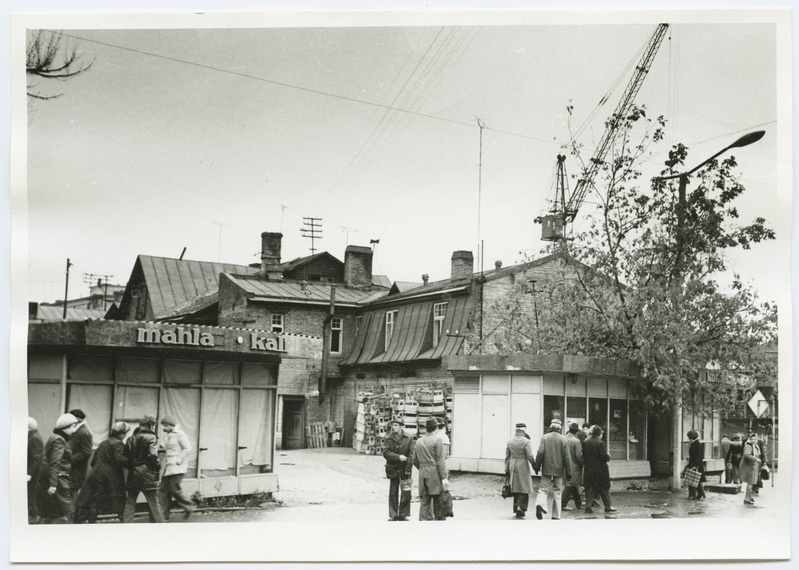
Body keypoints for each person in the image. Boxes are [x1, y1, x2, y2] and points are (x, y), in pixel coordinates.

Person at [77, 422, 130, 523]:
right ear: (122, 433)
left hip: (96, 474)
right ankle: (122, 521)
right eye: (125, 433)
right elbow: (119, 460)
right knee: (118, 500)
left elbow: (93, 461)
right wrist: (130, 462)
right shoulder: (118, 443)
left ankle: (91, 520)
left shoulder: (104, 442)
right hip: (110, 477)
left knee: (94, 500)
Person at [37, 413, 79, 524]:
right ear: (66, 427)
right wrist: (53, 485)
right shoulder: (60, 440)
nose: (74, 430)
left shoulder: (55, 437)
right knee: (67, 509)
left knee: (52, 511)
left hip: (55, 477)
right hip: (59, 479)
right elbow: (54, 463)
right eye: (73, 427)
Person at [122, 415, 164, 523]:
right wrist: (157, 468)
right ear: (151, 425)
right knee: (154, 502)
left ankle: (125, 526)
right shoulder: (152, 437)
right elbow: (153, 456)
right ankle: (161, 525)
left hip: (133, 474)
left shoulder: (130, 438)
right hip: (147, 474)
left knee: (130, 502)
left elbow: (126, 458)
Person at [412, 417, 450, 521]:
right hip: (435, 474)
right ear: (436, 428)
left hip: (422, 474)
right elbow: (441, 461)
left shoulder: (419, 441)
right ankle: (438, 526)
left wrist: (423, 468)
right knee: (438, 500)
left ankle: (424, 523)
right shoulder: (438, 440)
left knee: (424, 501)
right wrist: (444, 478)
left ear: (426, 428)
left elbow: (414, 459)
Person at [158, 415, 196, 521]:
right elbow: (163, 448)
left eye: (165, 426)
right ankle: (163, 516)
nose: (164, 428)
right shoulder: (167, 435)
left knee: (174, 489)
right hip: (168, 467)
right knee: (163, 491)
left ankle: (189, 506)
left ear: (171, 425)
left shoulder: (180, 434)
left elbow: (187, 448)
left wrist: (179, 460)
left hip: (178, 468)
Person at [532, 418, 571, 520]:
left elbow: (540, 453)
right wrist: (569, 472)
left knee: (544, 489)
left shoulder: (545, 438)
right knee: (557, 492)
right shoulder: (563, 439)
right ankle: (556, 516)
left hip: (546, 468)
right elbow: (567, 457)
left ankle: (540, 504)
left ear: (550, 427)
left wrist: (537, 466)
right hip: (559, 470)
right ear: (560, 428)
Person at [382, 418, 414, 521]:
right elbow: (385, 452)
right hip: (393, 468)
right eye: (393, 425)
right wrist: (398, 457)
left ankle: (403, 514)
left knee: (406, 492)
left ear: (401, 426)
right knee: (393, 491)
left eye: (396, 425)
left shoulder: (409, 438)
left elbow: (412, 454)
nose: (393, 427)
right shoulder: (388, 438)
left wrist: (408, 468)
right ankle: (393, 514)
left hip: (405, 468)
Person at [582, 425, 617, 514]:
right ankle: (608, 506)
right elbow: (603, 457)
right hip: (600, 469)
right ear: (599, 433)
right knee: (604, 488)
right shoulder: (600, 443)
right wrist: (608, 456)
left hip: (589, 468)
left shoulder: (585, 441)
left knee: (590, 488)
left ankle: (588, 507)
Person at [505, 423, 535, 518]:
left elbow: (507, 457)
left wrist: (506, 469)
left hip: (512, 464)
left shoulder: (510, 441)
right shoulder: (526, 441)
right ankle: (521, 508)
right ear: (524, 430)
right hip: (522, 465)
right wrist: (535, 466)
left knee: (516, 487)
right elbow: (530, 456)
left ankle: (516, 507)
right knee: (524, 487)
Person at [561, 421, 584, 511]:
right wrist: (581, 465)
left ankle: (578, 504)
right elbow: (578, 456)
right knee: (570, 484)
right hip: (574, 466)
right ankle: (563, 504)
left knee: (573, 484)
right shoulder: (576, 441)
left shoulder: (563, 438)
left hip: (563, 466)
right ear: (576, 431)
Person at [27, 417, 44, 523]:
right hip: (32, 472)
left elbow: (35, 459)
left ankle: (34, 517)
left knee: (31, 494)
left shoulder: (34, 438)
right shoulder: (33, 436)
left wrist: (29, 474)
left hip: (32, 473)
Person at [740, 432, 762, 505]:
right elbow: (746, 454)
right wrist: (756, 459)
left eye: (755, 439)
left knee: (751, 483)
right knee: (751, 482)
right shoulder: (748, 445)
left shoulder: (754, 446)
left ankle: (749, 497)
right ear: (750, 439)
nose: (753, 440)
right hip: (749, 466)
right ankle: (747, 499)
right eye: (752, 439)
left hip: (753, 466)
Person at [685, 430, 706, 500]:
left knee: (694, 480)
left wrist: (695, 465)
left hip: (695, 465)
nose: (689, 439)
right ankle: (700, 493)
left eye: (689, 437)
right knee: (695, 480)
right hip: (694, 464)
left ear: (691, 438)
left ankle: (697, 494)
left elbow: (697, 456)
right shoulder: (696, 444)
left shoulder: (696, 444)